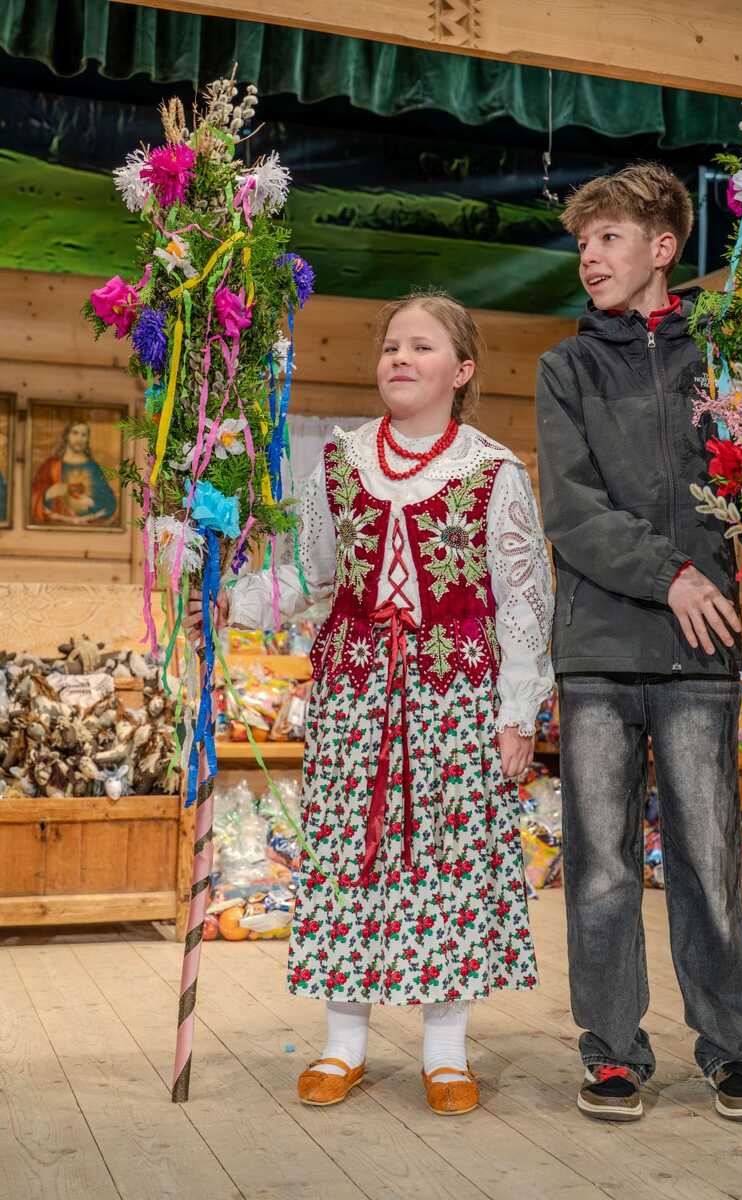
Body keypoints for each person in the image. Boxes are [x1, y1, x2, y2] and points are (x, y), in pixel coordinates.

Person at [189, 290, 554, 1114]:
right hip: (354, 695)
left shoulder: (494, 472)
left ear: (461, 371)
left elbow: (522, 603)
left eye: (421, 347)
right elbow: (312, 574)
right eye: (391, 345)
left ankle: (445, 1052)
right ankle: (342, 1042)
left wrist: (515, 712)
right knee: (348, 857)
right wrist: (231, 598)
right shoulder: (341, 462)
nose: (400, 358)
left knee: (448, 863)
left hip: (454, 695)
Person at [535, 163, 742, 1123]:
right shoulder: (565, 369)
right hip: (597, 652)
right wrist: (669, 574)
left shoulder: (722, 363)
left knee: (708, 859)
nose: (589, 257)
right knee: (599, 866)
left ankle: (734, 1046)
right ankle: (610, 1052)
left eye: (607, 238)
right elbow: (570, 510)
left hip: (699, 657)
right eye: (581, 242)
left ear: (662, 248)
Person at [30, 419, 117, 526]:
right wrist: (48, 493)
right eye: (75, 433)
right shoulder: (51, 465)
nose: (79, 439)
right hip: (55, 526)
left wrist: (92, 502)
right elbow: (32, 496)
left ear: (87, 439)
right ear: (67, 436)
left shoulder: (93, 468)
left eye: (84, 435)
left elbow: (109, 502)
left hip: (88, 527)